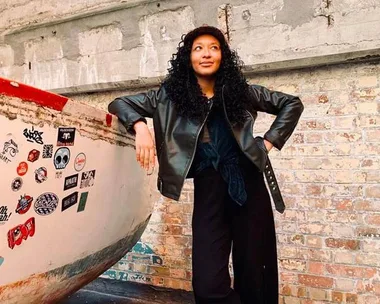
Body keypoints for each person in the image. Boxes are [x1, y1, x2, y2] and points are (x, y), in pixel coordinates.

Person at [108, 25, 303, 304]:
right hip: (209, 188)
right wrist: (140, 127)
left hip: (248, 184)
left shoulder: (240, 92)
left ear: (222, 55)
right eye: (198, 48)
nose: (206, 54)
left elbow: (291, 104)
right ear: (188, 57)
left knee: (255, 274)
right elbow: (119, 103)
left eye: (214, 47)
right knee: (208, 283)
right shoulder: (168, 97)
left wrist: (268, 143)